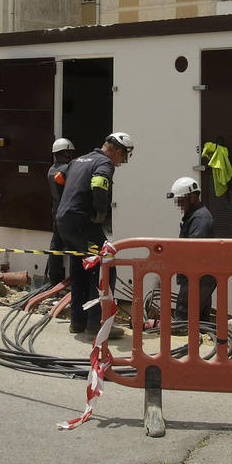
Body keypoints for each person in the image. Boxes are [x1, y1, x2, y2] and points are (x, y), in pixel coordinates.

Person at [54, 131, 133, 336]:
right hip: (82, 224)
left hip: (64, 222)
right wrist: (99, 213)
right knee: (106, 266)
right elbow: (99, 185)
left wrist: (66, 204)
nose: (121, 162)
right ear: (116, 152)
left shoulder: (79, 160)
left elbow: (58, 178)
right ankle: (96, 323)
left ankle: (77, 321)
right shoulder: (104, 163)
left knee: (80, 268)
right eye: (123, 157)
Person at [167, 176, 217, 331]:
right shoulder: (194, 216)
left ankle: (178, 353)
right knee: (201, 321)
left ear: (193, 197)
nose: (179, 204)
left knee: (182, 319)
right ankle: (200, 352)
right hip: (200, 277)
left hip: (197, 278)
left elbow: (193, 248)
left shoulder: (199, 218)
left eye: (181, 200)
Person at [44, 138, 77, 288]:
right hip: (67, 211)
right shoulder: (67, 169)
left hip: (56, 210)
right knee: (73, 246)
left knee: (56, 245)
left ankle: (53, 279)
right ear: (66, 153)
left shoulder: (52, 169)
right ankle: (75, 279)